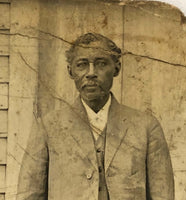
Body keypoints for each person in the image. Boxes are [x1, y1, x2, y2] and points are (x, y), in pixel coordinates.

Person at [17, 33, 174, 200]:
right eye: (82, 65)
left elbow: (162, 195)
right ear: (70, 71)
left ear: (116, 68)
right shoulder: (49, 126)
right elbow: (29, 195)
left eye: (101, 64)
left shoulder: (146, 126)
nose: (91, 73)